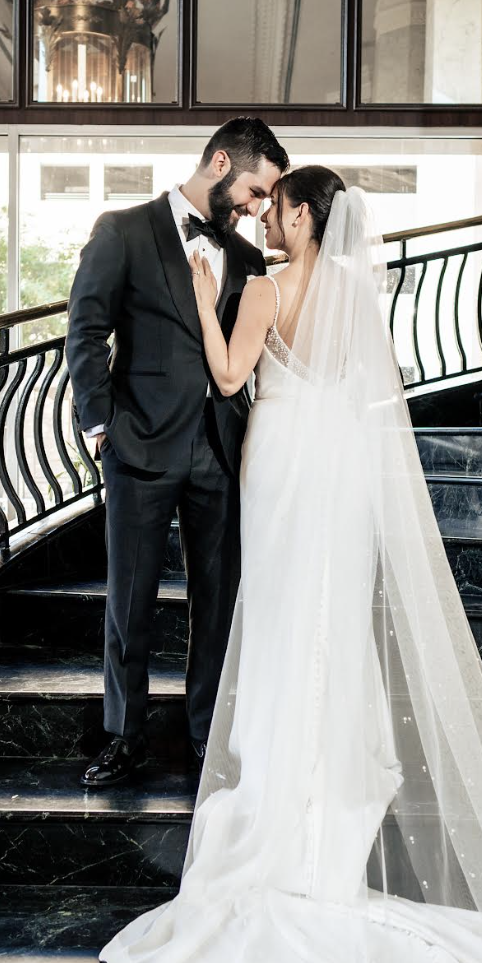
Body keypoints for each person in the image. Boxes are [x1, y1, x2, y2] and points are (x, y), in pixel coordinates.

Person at [99, 169, 482, 963]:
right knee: (329, 629)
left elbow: (230, 373)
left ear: (308, 216)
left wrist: (209, 300)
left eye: (279, 208)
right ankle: (325, 788)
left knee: (283, 628)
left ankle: (282, 794)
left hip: (282, 466)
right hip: (342, 476)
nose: (267, 219)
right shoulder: (360, 292)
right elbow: (373, 401)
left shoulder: (270, 287)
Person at [65, 117, 288, 787]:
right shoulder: (123, 231)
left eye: (268, 200)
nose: (258, 207)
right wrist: (99, 423)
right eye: (254, 190)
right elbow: (86, 328)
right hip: (140, 444)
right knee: (129, 601)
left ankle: (206, 737)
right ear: (220, 163)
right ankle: (123, 736)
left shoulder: (249, 261)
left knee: (217, 604)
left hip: (222, 449)